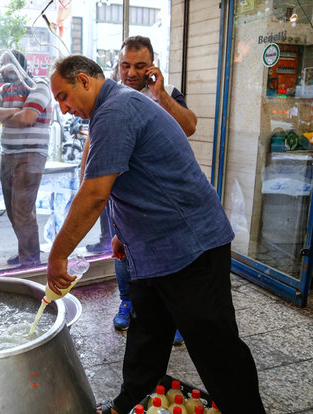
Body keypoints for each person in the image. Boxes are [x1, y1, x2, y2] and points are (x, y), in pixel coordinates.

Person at [48, 55, 265, 414]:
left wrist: (58, 256)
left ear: (84, 81)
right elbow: (132, 180)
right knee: (147, 332)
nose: (63, 108)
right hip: (152, 249)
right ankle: (130, 402)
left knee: (215, 346)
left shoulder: (116, 111)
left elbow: (95, 193)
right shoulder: (113, 109)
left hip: (190, 246)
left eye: (63, 96)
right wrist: (122, 233)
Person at [85, 36, 197, 341]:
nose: (131, 72)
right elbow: (92, 141)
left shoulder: (167, 93)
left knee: (169, 255)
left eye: (139, 66)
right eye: (125, 65)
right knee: (122, 249)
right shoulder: (107, 96)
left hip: (163, 194)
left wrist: (160, 95)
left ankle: (174, 315)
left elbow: (189, 126)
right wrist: (87, 182)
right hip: (123, 192)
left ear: (152, 66)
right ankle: (128, 301)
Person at [0, 50, 53, 267]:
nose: (0, 69)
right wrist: (16, 109)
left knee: (23, 210)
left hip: (31, 156)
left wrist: (6, 114)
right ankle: (26, 252)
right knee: (13, 210)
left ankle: (30, 261)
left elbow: (28, 118)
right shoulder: (5, 89)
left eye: (3, 64)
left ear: (18, 65)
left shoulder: (39, 85)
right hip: (8, 155)